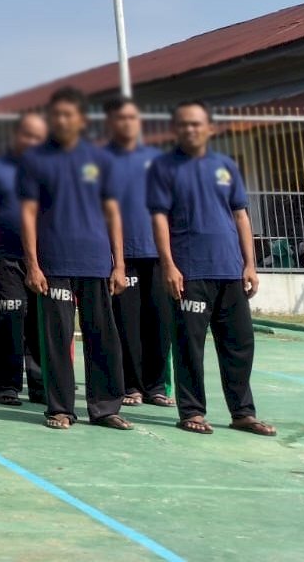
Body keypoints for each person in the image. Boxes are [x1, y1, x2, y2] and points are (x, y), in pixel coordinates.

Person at [147, 101, 275, 437]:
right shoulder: (164, 167)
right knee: (190, 345)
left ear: (209, 128)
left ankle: (243, 413)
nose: (190, 129)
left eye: (196, 124)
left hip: (230, 271)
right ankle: (191, 411)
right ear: (177, 129)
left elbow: (241, 215)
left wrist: (250, 264)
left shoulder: (226, 166)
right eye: (184, 124)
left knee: (239, 344)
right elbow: (158, 217)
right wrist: (169, 265)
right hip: (190, 272)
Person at [18, 87, 132, 431]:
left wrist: (119, 263)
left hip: (96, 263)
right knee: (56, 339)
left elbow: (113, 212)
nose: (61, 121)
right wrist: (34, 264)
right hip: (54, 265)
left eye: (68, 115)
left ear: (81, 119)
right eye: (56, 115)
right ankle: (60, 408)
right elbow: (28, 214)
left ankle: (105, 407)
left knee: (103, 338)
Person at [102, 96, 173, 408]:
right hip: (123, 259)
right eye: (120, 118)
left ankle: (156, 386)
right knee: (127, 325)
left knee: (159, 321)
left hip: (158, 257)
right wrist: (115, 260)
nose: (127, 123)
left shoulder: (158, 160)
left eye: (132, 117)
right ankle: (131, 385)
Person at [0, 111, 48, 406]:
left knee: (41, 320)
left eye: (38, 137)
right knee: (11, 315)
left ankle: (40, 383)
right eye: (27, 135)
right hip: (9, 257)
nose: (32, 142)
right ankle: (6, 383)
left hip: (47, 257)